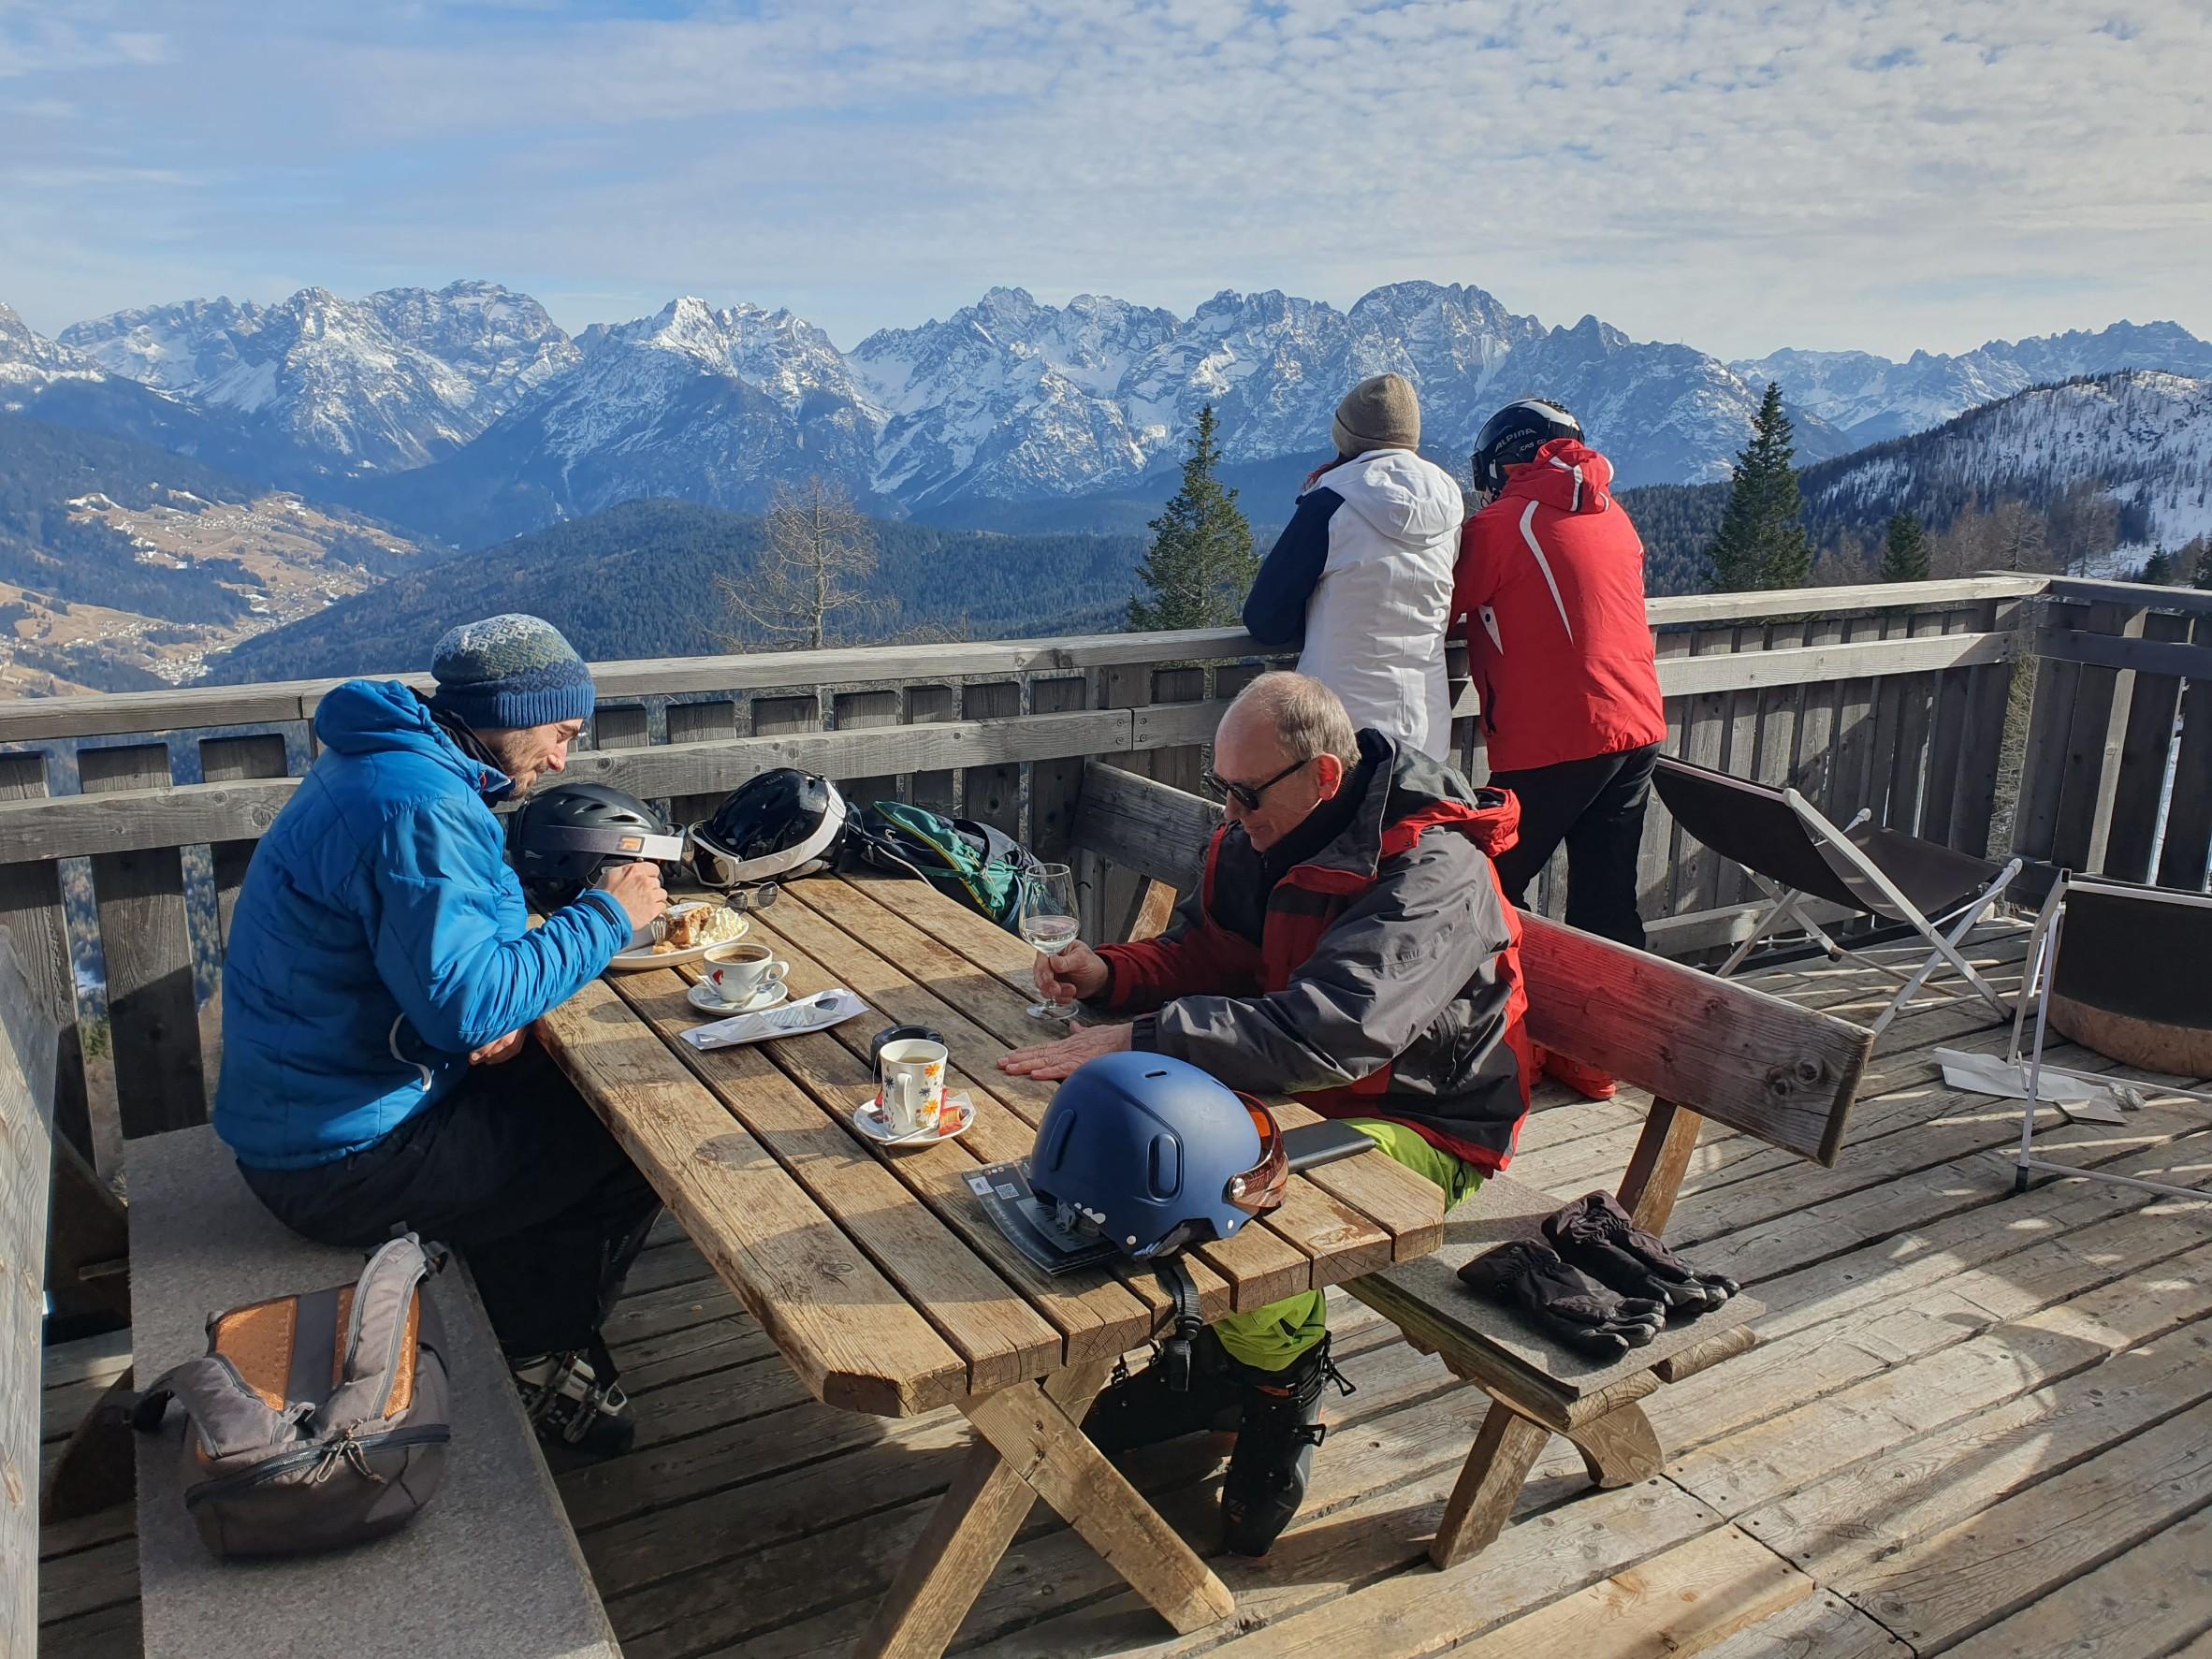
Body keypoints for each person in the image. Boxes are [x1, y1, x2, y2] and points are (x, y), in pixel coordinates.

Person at [997, 671, 1532, 1554]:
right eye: (1221, 790)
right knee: (1135, 1153)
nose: (1230, 812)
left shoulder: (1432, 870)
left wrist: (1141, 1036)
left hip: (1427, 1122)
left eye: (1244, 794)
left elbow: (1334, 1032)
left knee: (1223, 1189)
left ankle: (1279, 1384)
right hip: (1296, 1087)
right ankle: (1223, 1361)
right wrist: (1113, 975)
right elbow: (1209, 950)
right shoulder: (1262, 834)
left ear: (1323, 777)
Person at [212, 614, 668, 1456]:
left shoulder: (404, 765)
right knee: (634, 1136)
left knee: (572, 1099)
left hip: (329, 1110)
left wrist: (488, 1010)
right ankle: (540, 1350)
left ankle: (526, 1306)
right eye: (561, 733)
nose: (564, 759)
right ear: (509, 710)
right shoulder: (416, 804)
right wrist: (611, 912)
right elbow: (464, 1003)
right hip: (337, 1163)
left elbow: (451, 978)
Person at [1455, 400, 1666, 953]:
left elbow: (1440, 604)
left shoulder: (1501, 525)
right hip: (1636, 724)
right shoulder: (1611, 513)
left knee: (1483, 882)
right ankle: (1617, 1022)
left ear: (1504, 463)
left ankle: (1511, 1013)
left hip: (1556, 736)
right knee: (1608, 899)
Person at [1240, 373, 1463, 758]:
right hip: (1427, 724)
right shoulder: (1451, 509)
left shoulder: (1331, 506)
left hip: (1340, 728)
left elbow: (1266, 619)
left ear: (1344, 437)